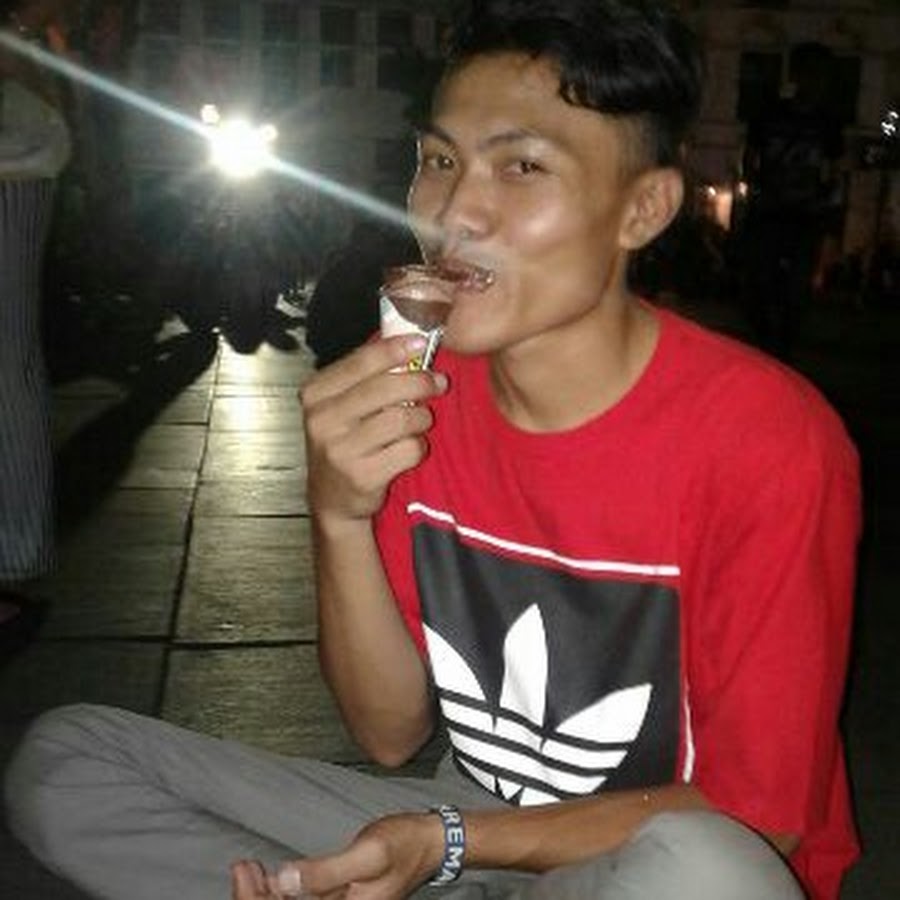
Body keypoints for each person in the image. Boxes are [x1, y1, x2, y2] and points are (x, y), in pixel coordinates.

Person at [5, 3, 860, 900]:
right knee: (66, 761)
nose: (455, 211)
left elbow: (760, 816)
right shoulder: (417, 393)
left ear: (642, 209)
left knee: (710, 872)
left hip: (631, 855)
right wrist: (337, 514)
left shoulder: (766, 438)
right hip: (460, 826)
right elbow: (387, 734)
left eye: (522, 166)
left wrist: (449, 843)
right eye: (439, 160)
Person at [0, 0, 71, 659]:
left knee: (9, 354)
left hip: (18, 161)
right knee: (9, 354)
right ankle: (13, 549)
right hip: (20, 158)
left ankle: (13, 550)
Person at [739, 41, 845, 360]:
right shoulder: (773, 113)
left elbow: (834, 170)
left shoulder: (827, 122)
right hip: (772, 209)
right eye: (812, 73)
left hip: (803, 213)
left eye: (822, 74)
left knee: (796, 288)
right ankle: (770, 341)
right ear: (797, 74)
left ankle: (781, 347)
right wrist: (756, 185)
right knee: (759, 282)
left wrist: (824, 202)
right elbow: (750, 156)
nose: (817, 82)